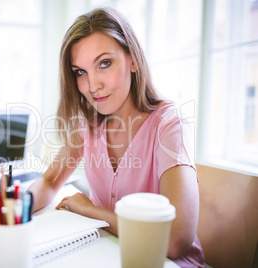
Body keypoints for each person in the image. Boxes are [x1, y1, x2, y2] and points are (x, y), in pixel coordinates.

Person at [28, 7, 205, 267]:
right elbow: (50, 181)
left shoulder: (169, 124)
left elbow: (175, 240)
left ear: (133, 60)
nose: (92, 86)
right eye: (80, 72)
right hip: (107, 252)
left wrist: (92, 211)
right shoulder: (87, 124)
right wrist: (11, 207)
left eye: (104, 64)